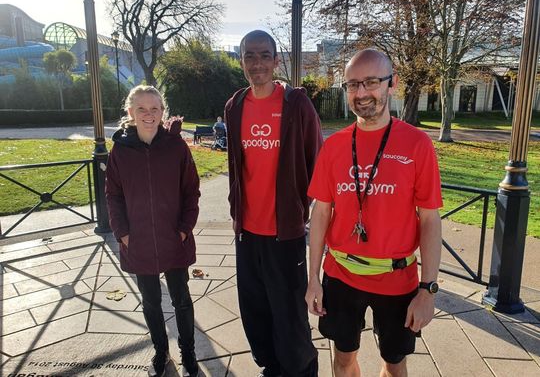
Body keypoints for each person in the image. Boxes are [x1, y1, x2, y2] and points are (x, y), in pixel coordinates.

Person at [305, 49, 442, 377]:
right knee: (342, 358)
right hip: (340, 276)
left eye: (371, 82)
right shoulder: (334, 146)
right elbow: (321, 213)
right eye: (353, 85)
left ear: (391, 84)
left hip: (397, 280)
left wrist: (428, 289)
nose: (362, 93)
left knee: (395, 365)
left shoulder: (417, 144)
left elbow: (430, 220)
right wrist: (313, 279)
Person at [224, 30, 323, 377]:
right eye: (250, 56)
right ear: (242, 62)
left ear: (276, 60)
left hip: (286, 234)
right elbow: (237, 166)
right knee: (255, 309)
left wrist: (300, 206)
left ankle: (300, 370)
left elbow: (318, 161)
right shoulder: (235, 105)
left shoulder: (296, 104)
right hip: (247, 233)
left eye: (265, 55)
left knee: (289, 314)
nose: (258, 63)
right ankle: (271, 367)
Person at [105, 85, 201, 377]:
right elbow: (113, 195)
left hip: (174, 239)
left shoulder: (175, 147)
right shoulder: (120, 151)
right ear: (131, 113)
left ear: (162, 112)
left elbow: (191, 191)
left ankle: (188, 353)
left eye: (154, 109)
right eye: (142, 109)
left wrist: (184, 230)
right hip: (138, 242)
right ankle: (161, 351)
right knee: (150, 301)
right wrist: (123, 233)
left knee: (181, 299)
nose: (149, 114)